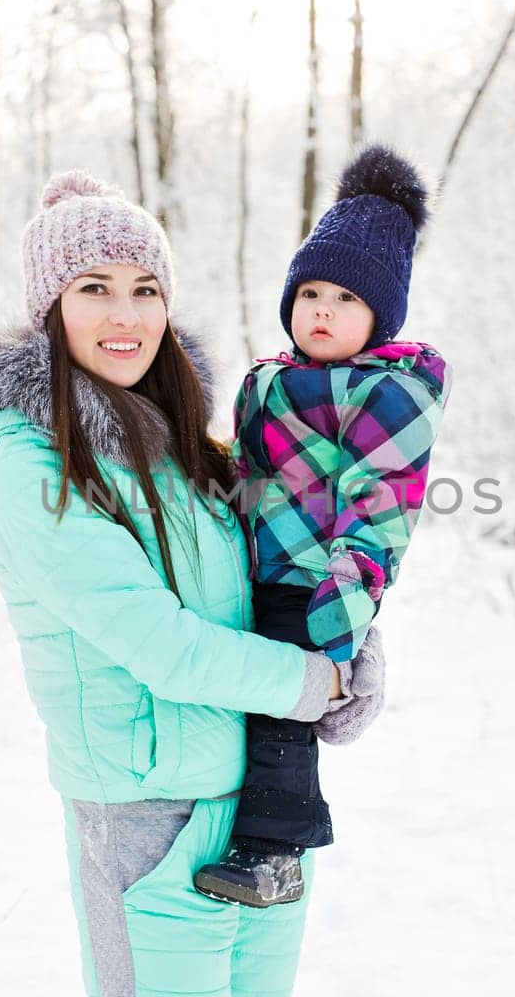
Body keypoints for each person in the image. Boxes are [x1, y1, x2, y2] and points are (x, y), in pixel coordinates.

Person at [0, 169, 386, 997]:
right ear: (50, 307)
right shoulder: (30, 464)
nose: (126, 315)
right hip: (147, 825)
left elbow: (282, 571)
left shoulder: (188, 449)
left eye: (146, 290)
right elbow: (162, 644)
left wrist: (352, 651)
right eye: (94, 288)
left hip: (260, 810)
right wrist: (307, 683)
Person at [192, 145, 451, 909]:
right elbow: (239, 472)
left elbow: (380, 508)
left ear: (379, 315)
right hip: (249, 567)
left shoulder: (392, 389)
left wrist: (338, 623)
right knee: (246, 707)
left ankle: (276, 851)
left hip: (314, 580)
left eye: (345, 297)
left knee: (284, 713)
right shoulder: (266, 381)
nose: (323, 310)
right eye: (310, 292)